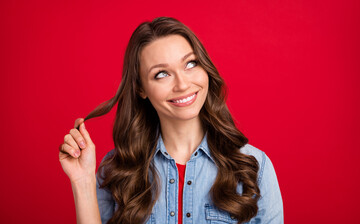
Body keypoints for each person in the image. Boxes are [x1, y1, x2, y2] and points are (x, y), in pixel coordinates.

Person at [59, 17, 283, 224]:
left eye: (190, 63)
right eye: (161, 74)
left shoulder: (254, 166)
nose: (182, 84)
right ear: (141, 89)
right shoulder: (118, 169)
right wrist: (82, 181)